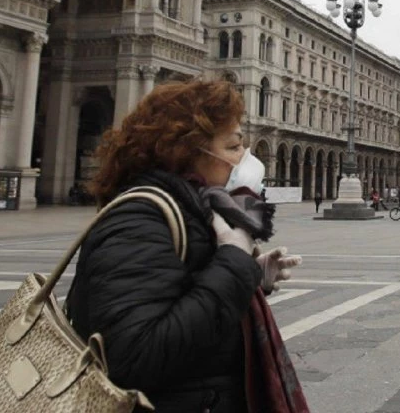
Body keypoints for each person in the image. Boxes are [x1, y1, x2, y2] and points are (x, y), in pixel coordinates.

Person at [67, 80, 308, 412]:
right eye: (234, 145)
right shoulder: (139, 221)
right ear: (188, 151)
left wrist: (250, 275)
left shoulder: (193, 210)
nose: (245, 158)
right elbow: (134, 356)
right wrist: (234, 263)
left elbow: (184, 298)